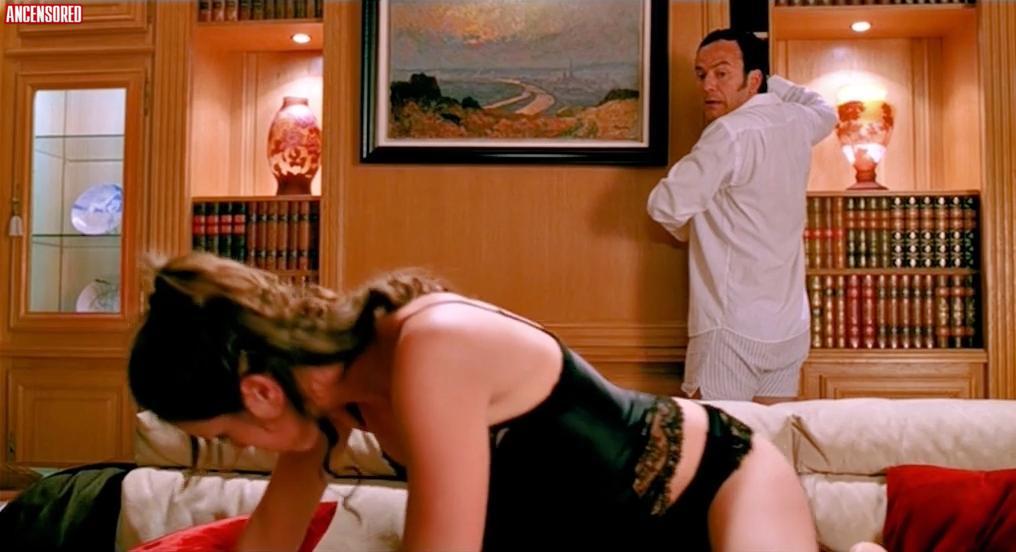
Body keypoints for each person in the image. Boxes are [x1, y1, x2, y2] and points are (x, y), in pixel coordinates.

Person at [128, 252, 817, 552]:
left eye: (229, 436)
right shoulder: (325, 405)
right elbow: (268, 545)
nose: (242, 450)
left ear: (259, 393)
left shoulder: (432, 345)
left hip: (716, 486)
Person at [647, 29, 836, 404]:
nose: (707, 86)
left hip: (730, 327)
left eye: (721, 73)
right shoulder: (797, 121)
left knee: (716, 439)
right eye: (701, 74)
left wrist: (692, 231)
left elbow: (663, 205)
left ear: (752, 80)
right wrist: (770, 82)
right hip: (789, 327)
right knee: (771, 437)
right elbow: (825, 111)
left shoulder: (729, 133)